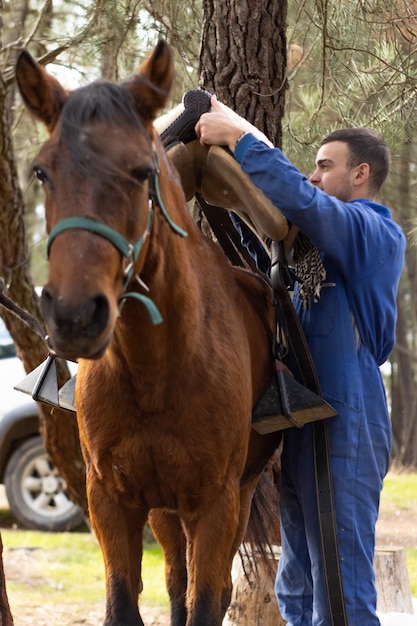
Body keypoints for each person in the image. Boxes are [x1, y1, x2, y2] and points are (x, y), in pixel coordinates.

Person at [195, 97, 406, 626]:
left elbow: (304, 204)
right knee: (299, 581)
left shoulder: (372, 233)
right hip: (306, 420)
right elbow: (271, 243)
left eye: (324, 165)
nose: (312, 177)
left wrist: (243, 140)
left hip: (349, 422)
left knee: (339, 592)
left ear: (360, 174)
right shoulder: (317, 248)